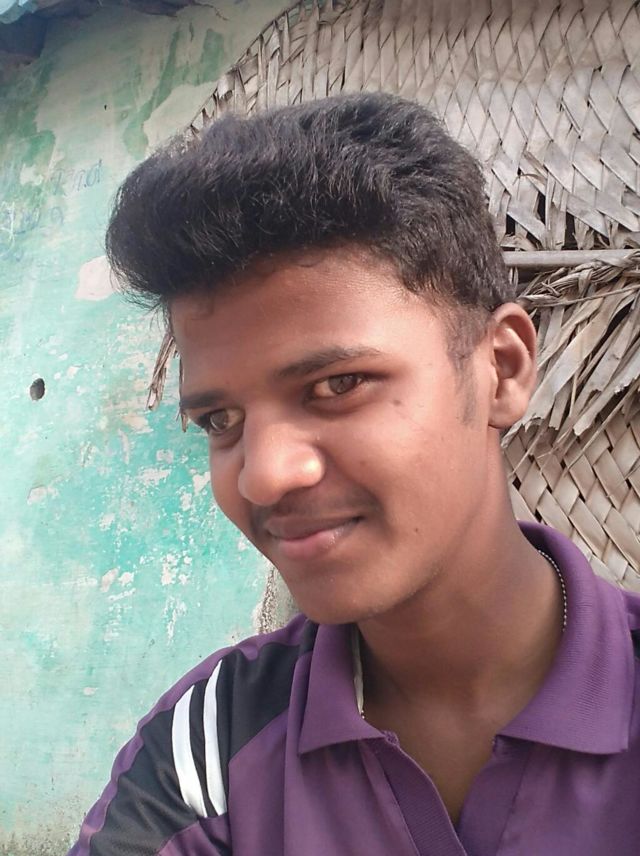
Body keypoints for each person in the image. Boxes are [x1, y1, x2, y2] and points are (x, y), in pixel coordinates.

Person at [69, 93, 640, 856]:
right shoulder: (206, 749)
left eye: (338, 385)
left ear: (501, 369)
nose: (265, 476)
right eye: (220, 420)